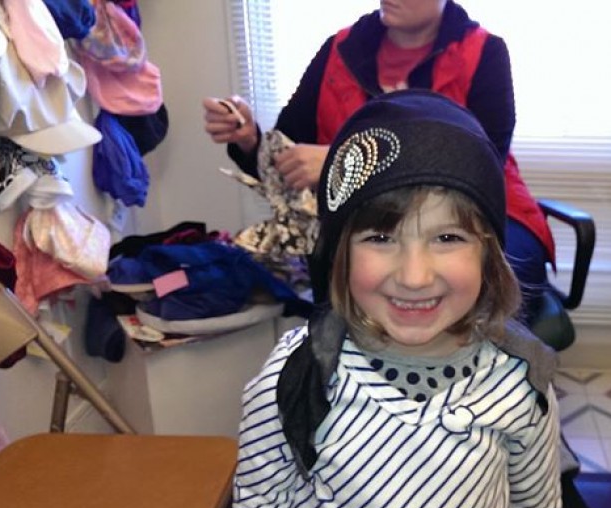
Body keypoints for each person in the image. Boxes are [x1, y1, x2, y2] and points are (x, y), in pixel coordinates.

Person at [231, 90, 562, 508]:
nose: (414, 277)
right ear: (340, 253)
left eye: (448, 238)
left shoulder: (520, 381)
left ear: (488, 256)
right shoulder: (295, 376)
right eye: (381, 238)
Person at [203, 0, 554, 324]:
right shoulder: (338, 50)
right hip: (367, 218)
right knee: (344, 286)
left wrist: (346, 160)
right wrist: (249, 140)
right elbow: (288, 160)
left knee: (491, 279)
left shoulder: (485, 51)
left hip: (482, 210)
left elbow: (482, 163)